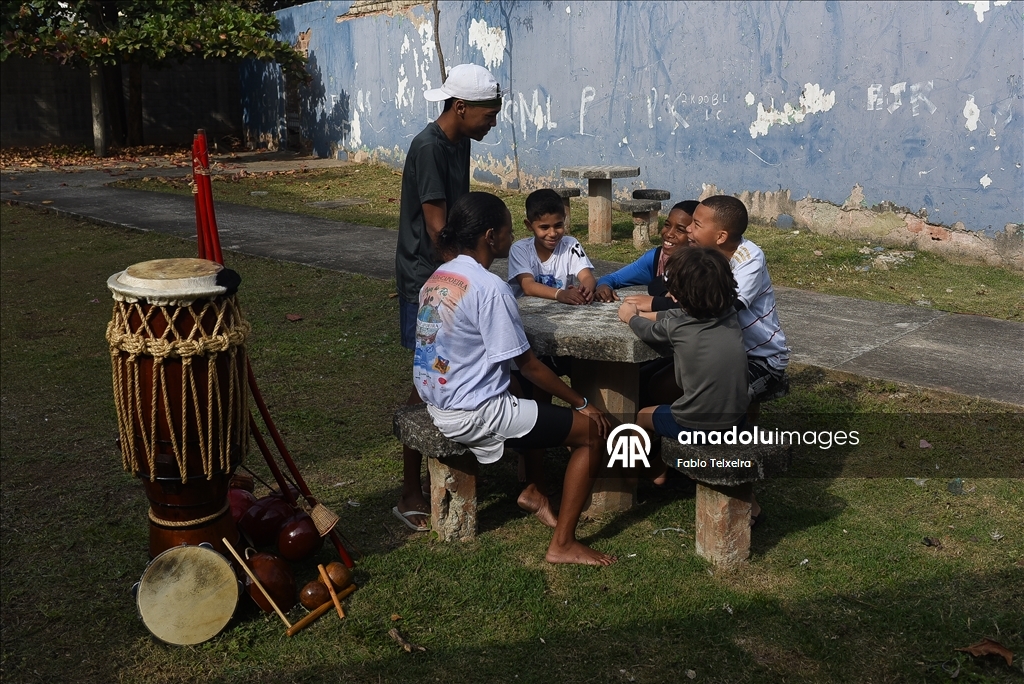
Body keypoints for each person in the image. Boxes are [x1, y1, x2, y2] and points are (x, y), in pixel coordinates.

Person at [415, 191, 616, 566]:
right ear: (491, 236)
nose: (511, 240)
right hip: (474, 411)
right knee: (591, 433)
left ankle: (534, 489)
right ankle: (563, 544)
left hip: (439, 400)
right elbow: (530, 365)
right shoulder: (490, 288)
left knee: (535, 397)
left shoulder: (440, 277)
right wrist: (584, 404)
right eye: (508, 231)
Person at [394, 64, 503, 531]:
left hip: (454, 269)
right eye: (489, 114)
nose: (493, 123)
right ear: (460, 108)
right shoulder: (429, 148)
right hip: (429, 276)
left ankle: (464, 459)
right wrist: (472, 271)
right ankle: (410, 489)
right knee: (425, 376)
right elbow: (440, 229)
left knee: (452, 369)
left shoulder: (459, 143)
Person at [617, 247, 750, 486]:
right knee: (679, 404)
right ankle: (659, 468)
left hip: (701, 425)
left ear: (676, 294)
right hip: (738, 417)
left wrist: (630, 316)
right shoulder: (728, 313)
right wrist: (654, 313)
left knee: (643, 415)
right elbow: (680, 317)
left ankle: (628, 475)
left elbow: (647, 330)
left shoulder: (679, 328)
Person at [683, 196, 790, 408]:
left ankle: (742, 433)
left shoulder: (749, 258)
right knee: (662, 380)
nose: (688, 229)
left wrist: (655, 308)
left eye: (696, 224)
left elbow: (726, 308)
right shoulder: (700, 253)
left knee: (722, 399)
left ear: (721, 236)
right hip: (720, 349)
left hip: (760, 358)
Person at [593, 200, 699, 307]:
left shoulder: (704, 266)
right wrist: (603, 286)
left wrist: (652, 305)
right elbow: (613, 278)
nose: (669, 234)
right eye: (667, 225)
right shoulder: (655, 259)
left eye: (680, 230)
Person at [507, 188, 597, 304]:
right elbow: (528, 286)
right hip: (528, 313)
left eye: (558, 225)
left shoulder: (571, 245)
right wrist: (560, 294)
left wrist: (585, 291)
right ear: (529, 225)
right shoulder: (520, 249)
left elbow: (587, 277)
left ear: (564, 219)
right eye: (544, 227)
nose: (553, 233)